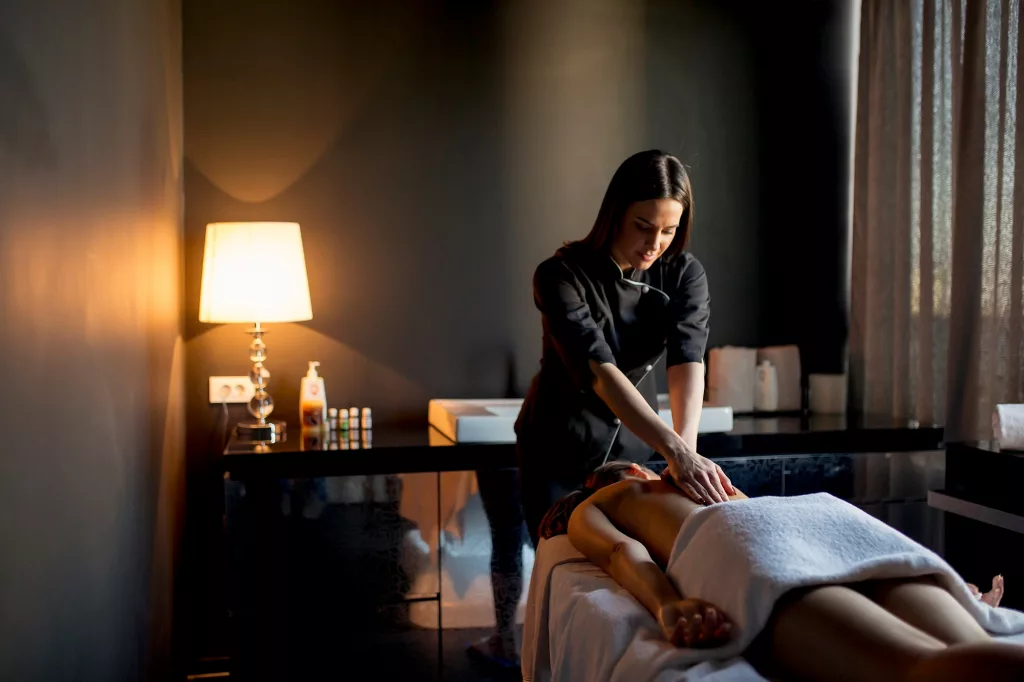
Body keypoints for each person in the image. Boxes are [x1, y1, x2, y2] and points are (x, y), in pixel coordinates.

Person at [540, 461, 1023, 682]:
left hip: (754, 543)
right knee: (967, 651)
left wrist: (671, 606)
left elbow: (623, 555)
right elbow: (625, 555)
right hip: (830, 522)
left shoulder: (621, 499)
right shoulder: (669, 483)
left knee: (914, 667)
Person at [515, 149, 734, 547]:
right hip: (558, 452)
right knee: (562, 567)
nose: (655, 244)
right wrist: (676, 452)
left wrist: (684, 454)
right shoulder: (560, 275)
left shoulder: (684, 274)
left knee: (629, 568)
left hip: (632, 454)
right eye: (643, 226)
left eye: (669, 230)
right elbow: (599, 370)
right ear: (615, 213)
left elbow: (688, 358)